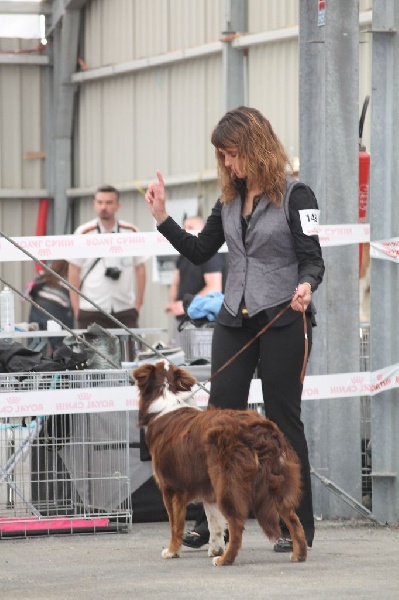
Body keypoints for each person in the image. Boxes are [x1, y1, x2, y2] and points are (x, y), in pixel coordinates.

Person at [145, 106, 325, 553]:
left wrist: (306, 286)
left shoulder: (297, 196)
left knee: (283, 420)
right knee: (217, 422)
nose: (226, 163)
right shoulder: (228, 200)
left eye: (230, 153)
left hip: (284, 319)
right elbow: (201, 248)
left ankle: (295, 525)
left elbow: (313, 258)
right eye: (222, 156)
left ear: (253, 147)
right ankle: (213, 526)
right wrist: (163, 217)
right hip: (234, 319)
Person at [68, 185, 147, 333]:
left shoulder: (130, 231)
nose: (103, 207)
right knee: (91, 356)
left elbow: (140, 269)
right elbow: (73, 271)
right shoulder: (84, 232)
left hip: (124, 308)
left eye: (109, 203)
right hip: (91, 308)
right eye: (100, 202)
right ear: (94, 204)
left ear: (118, 205)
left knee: (129, 355)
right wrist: (76, 308)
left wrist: (138, 305)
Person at [166, 215, 224, 344]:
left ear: (202, 231)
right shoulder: (182, 256)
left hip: (201, 322)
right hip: (181, 320)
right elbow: (175, 282)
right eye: (184, 228)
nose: (186, 231)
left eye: (190, 228)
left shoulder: (211, 255)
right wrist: (172, 302)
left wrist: (187, 305)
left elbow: (214, 287)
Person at [27, 259, 74, 350]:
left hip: (37, 306)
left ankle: (32, 362)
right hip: (56, 309)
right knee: (60, 347)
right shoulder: (69, 276)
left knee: (34, 344)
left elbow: (34, 283)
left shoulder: (48, 271)